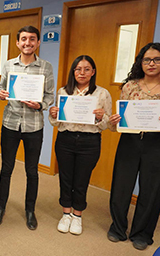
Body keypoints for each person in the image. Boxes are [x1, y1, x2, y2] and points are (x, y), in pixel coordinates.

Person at [107, 42, 160, 250]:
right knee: (121, 187)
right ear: (141, 62)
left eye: (157, 59)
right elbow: (122, 118)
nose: (151, 63)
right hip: (129, 142)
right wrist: (115, 121)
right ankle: (118, 228)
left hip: (158, 143)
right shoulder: (130, 86)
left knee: (152, 190)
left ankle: (142, 233)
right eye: (147, 59)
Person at [0, 25, 54, 230]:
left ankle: (30, 211)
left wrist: (41, 105)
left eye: (32, 39)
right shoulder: (9, 65)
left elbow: (49, 95)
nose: (28, 43)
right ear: (18, 42)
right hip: (10, 123)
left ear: (37, 42)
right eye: (24, 39)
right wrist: (0, 93)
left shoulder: (46, 67)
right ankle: (0, 208)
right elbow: (2, 87)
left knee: (32, 171)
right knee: (6, 169)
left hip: (34, 125)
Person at [48, 55, 112, 235]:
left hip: (89, 142)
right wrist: (53, 114)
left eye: (86, 69)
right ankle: (66, 213)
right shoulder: (63, 92)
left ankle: (77, 216)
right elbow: (56, 123)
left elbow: (108, 124)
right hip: (65, 139)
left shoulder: (102, 93)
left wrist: (101, 117)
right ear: (73, 72)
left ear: (93, 72)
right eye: (78, 69)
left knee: (82, 180)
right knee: (65, 178)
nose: (82, 72)